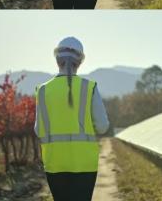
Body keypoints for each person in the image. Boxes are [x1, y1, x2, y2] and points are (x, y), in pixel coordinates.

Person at [34, 36, 110, 201]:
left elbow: (38, 130)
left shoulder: (42, 91)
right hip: (84, 164)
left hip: (54, 163)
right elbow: (103, 126)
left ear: (57, 60)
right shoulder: (89, 87)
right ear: (80, 62)